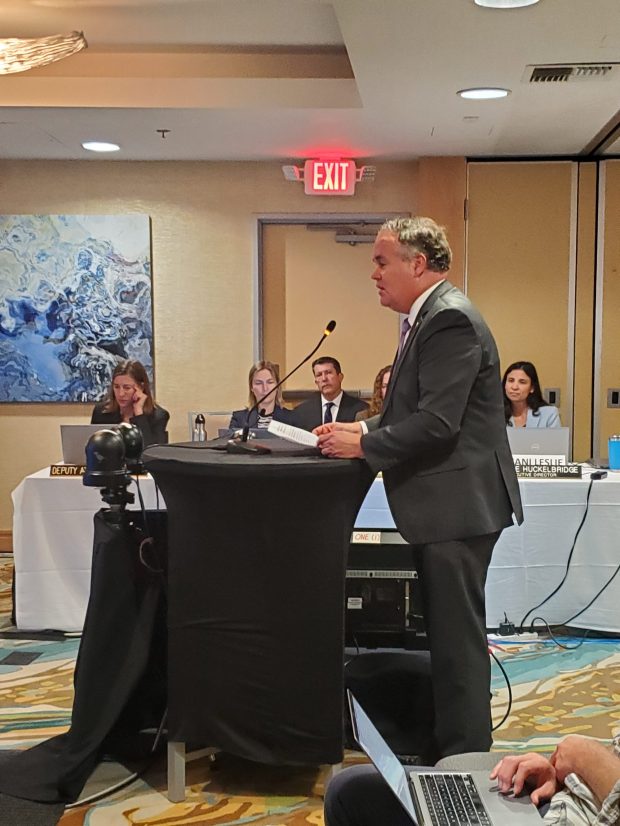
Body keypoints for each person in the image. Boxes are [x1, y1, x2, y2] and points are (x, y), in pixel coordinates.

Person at [316, 216, 522, 759]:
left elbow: (437, 423)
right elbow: (412, 412)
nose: (374, 274)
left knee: (457, 644)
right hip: (449, 506)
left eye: (382, 261)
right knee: (449, 638)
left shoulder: (447, 319)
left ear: (417, 263)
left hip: (459, 508)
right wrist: (359, 429)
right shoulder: (427, 315)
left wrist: (362, 446)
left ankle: (465, 757)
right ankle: (451, 744)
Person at [324, 733, 620, 826]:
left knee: (351, 799)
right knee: (351, 788)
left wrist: (585, 756)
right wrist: (558, 776)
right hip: (572, 799)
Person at [91, 359, 169, 447]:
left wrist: (139, 413)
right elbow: (94, 448)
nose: (121, 394)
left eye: (127, 388)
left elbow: (151, 453)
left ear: (141, 387)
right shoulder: (101, 412)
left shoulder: (158, 416)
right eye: (116, 387)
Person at [291, 356, 368, 431]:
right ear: (316, 382)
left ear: (340, 377)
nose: (324, 379)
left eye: (328, 373)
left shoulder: (361, 409)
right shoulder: (302, 411)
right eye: (319, 375)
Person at [229, 360, 294, 429]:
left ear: (277, 386)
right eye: (259, 383)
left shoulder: (291, 419)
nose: (265, 388)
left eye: (270, 382)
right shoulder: (239, 419)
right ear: (251, 388)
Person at [503, 361, 562, 428]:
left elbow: (555, 438)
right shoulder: (494, 415)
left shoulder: (549, 414)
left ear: (532, 388)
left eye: (522, 382)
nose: (514, 387)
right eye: (511, 380)